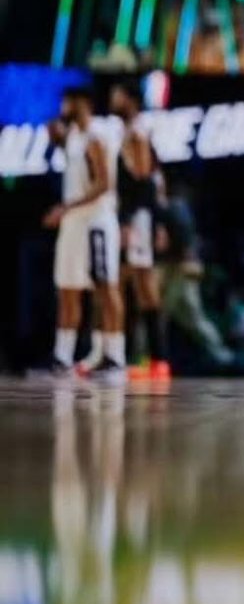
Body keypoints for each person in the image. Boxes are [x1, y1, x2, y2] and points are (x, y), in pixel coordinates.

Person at [43, 87, 126, 382]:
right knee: (67, 287)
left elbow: (104, 184)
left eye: (69, 100)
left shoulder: (96, 136)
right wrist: (56, 138)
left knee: (105, 286)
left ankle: (115, 356)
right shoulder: (75, 136)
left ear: (83, 103)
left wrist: (65, 207)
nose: (63, 105)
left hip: (96, 221)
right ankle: (61, 357)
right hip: (74, 223)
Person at [110, 80, 169, 380]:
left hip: (139, 218)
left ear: (130, 100)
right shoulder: (129, 131)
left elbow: (145, 178)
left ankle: (156, 359)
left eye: (118, 94)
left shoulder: (137, 131)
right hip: (139, 217)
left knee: (143, 287)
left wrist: (133, 220)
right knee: (137, 286)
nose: (113, 99)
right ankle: (150, 358)